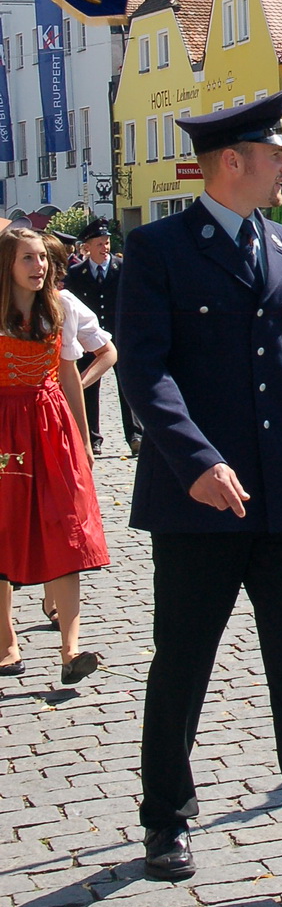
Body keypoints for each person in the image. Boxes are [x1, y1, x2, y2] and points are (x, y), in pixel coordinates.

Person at [116, 92, 282, 899]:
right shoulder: (158, 249)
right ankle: (166, 816)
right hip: (199, 502)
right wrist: (195, 460)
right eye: (275, 154)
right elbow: (145, 371)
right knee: (183, 662)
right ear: (232, 161)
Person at [0, 227, 107, 685]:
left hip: (50, 426)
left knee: (66, 526)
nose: (39, 266)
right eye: (28, 258)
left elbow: (68, 375)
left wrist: (83, 440)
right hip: (5, 429)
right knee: (5, 526)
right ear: (7, 265)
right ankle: (6, 643)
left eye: (42, 257)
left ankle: (71, 649)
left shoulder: (60, 306)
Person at [66, 218, 140, 455]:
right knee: (88, 386)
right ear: (87, 247)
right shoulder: (76, 273)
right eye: (99, 243)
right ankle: (92, 437)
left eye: (106, 242)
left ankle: (135, 435)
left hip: (120, 338)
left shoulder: (123, 268)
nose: (105, 247)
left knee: (128, 387)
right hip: (89, 341)